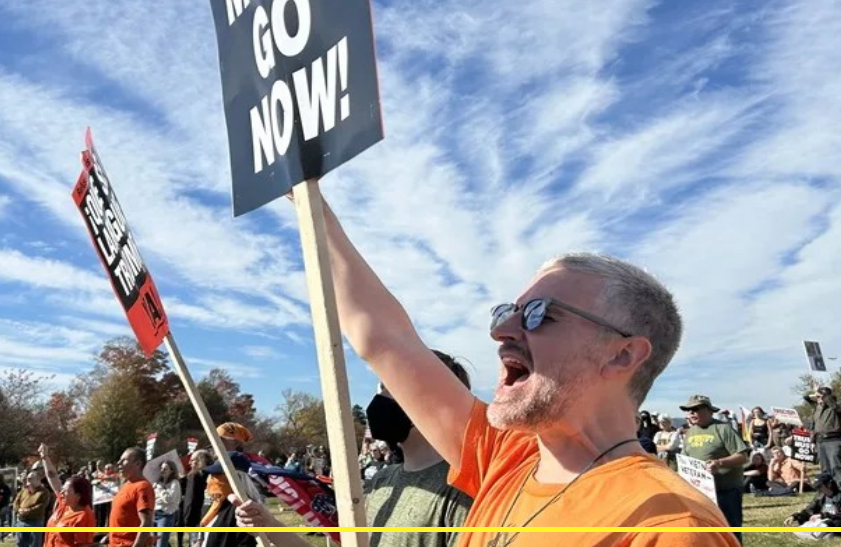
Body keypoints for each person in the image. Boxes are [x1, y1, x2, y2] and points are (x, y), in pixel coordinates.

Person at [306, 199, 738, 547]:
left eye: (538, 315)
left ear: (622, 355)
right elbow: (385, 340)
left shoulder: (670, 526)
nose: (500, 332)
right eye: (507, 312)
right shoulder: (505, 456)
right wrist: (310, 206)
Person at [236, 350, 475, 547]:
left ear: (429, 399)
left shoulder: (462, 490)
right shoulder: (383, 481)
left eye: (389, 388)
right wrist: (268, 525)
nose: (379, 399)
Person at [680, 395, 750, 543]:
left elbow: (742, 456)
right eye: (688, 410)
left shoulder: (723, 429)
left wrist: (719, 463)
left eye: (695, 409)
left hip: (726, 490)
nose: (691, 413)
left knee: (730, 529)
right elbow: (684, 459)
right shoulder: (690, 432)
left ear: (709, 411)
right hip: (701, 492)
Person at [39, 443, 98, 547]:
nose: (61, 493)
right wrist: (45, 457)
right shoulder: (66, 505)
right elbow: (53, 478)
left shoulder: (84, 517)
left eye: (65, 491)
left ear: (78, 495)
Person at [802, 386, 841, 497]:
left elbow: (834, 405)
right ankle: (829, 493)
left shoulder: (835, 406)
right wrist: (815, 393)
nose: (819, 399)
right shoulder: (816, 407)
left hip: (833, 439)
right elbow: (806, 397)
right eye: (818, 397)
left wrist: (824, 394)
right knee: (825, 469)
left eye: (821, 396)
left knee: (836, 467)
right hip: (820, 440)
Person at [782, 473, 841, 539]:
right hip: (823, 522)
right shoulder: (820, 496)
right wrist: (795, 516)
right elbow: (809, 510)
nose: (818, 489)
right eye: (817, 487)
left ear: (829, 484)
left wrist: (823, 515)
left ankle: (819, 533)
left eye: (820, 487)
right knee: (803, 519)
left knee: (835, 522)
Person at [110, 447, 155, 547]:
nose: (119, 463)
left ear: (138, 464)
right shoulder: (126, 485)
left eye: (124, 460)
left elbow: (146, 522)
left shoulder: (142, 487)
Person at [180, 449, 212, 547]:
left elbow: (191, 499)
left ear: (200, 460)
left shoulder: (195, 476)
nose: (189, 462)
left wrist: (187, 520)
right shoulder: (213, 475)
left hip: (196, 520)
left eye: (192, 460)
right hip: (210, 518)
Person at [148, 457, 182, 547]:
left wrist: (160, 488)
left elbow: (168, 499)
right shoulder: (157, 483)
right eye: (161, 468)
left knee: (161, 544)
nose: (162, 470)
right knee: (153, 543)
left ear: (171, 471)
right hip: (154, 514)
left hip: (165, 515)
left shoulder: (175, 483)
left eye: (165, 469)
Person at [14, 472, 50, 547]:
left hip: (35, 522)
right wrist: (19, 510)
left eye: (30, 479)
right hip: (21, 521)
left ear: (37, 480)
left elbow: (42, 506)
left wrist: (28, 511)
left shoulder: (44, 492)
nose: (28, 480)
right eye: (27, 479)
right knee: (20, 543)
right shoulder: (24, 490)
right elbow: (16, 502)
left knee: (34, 544)